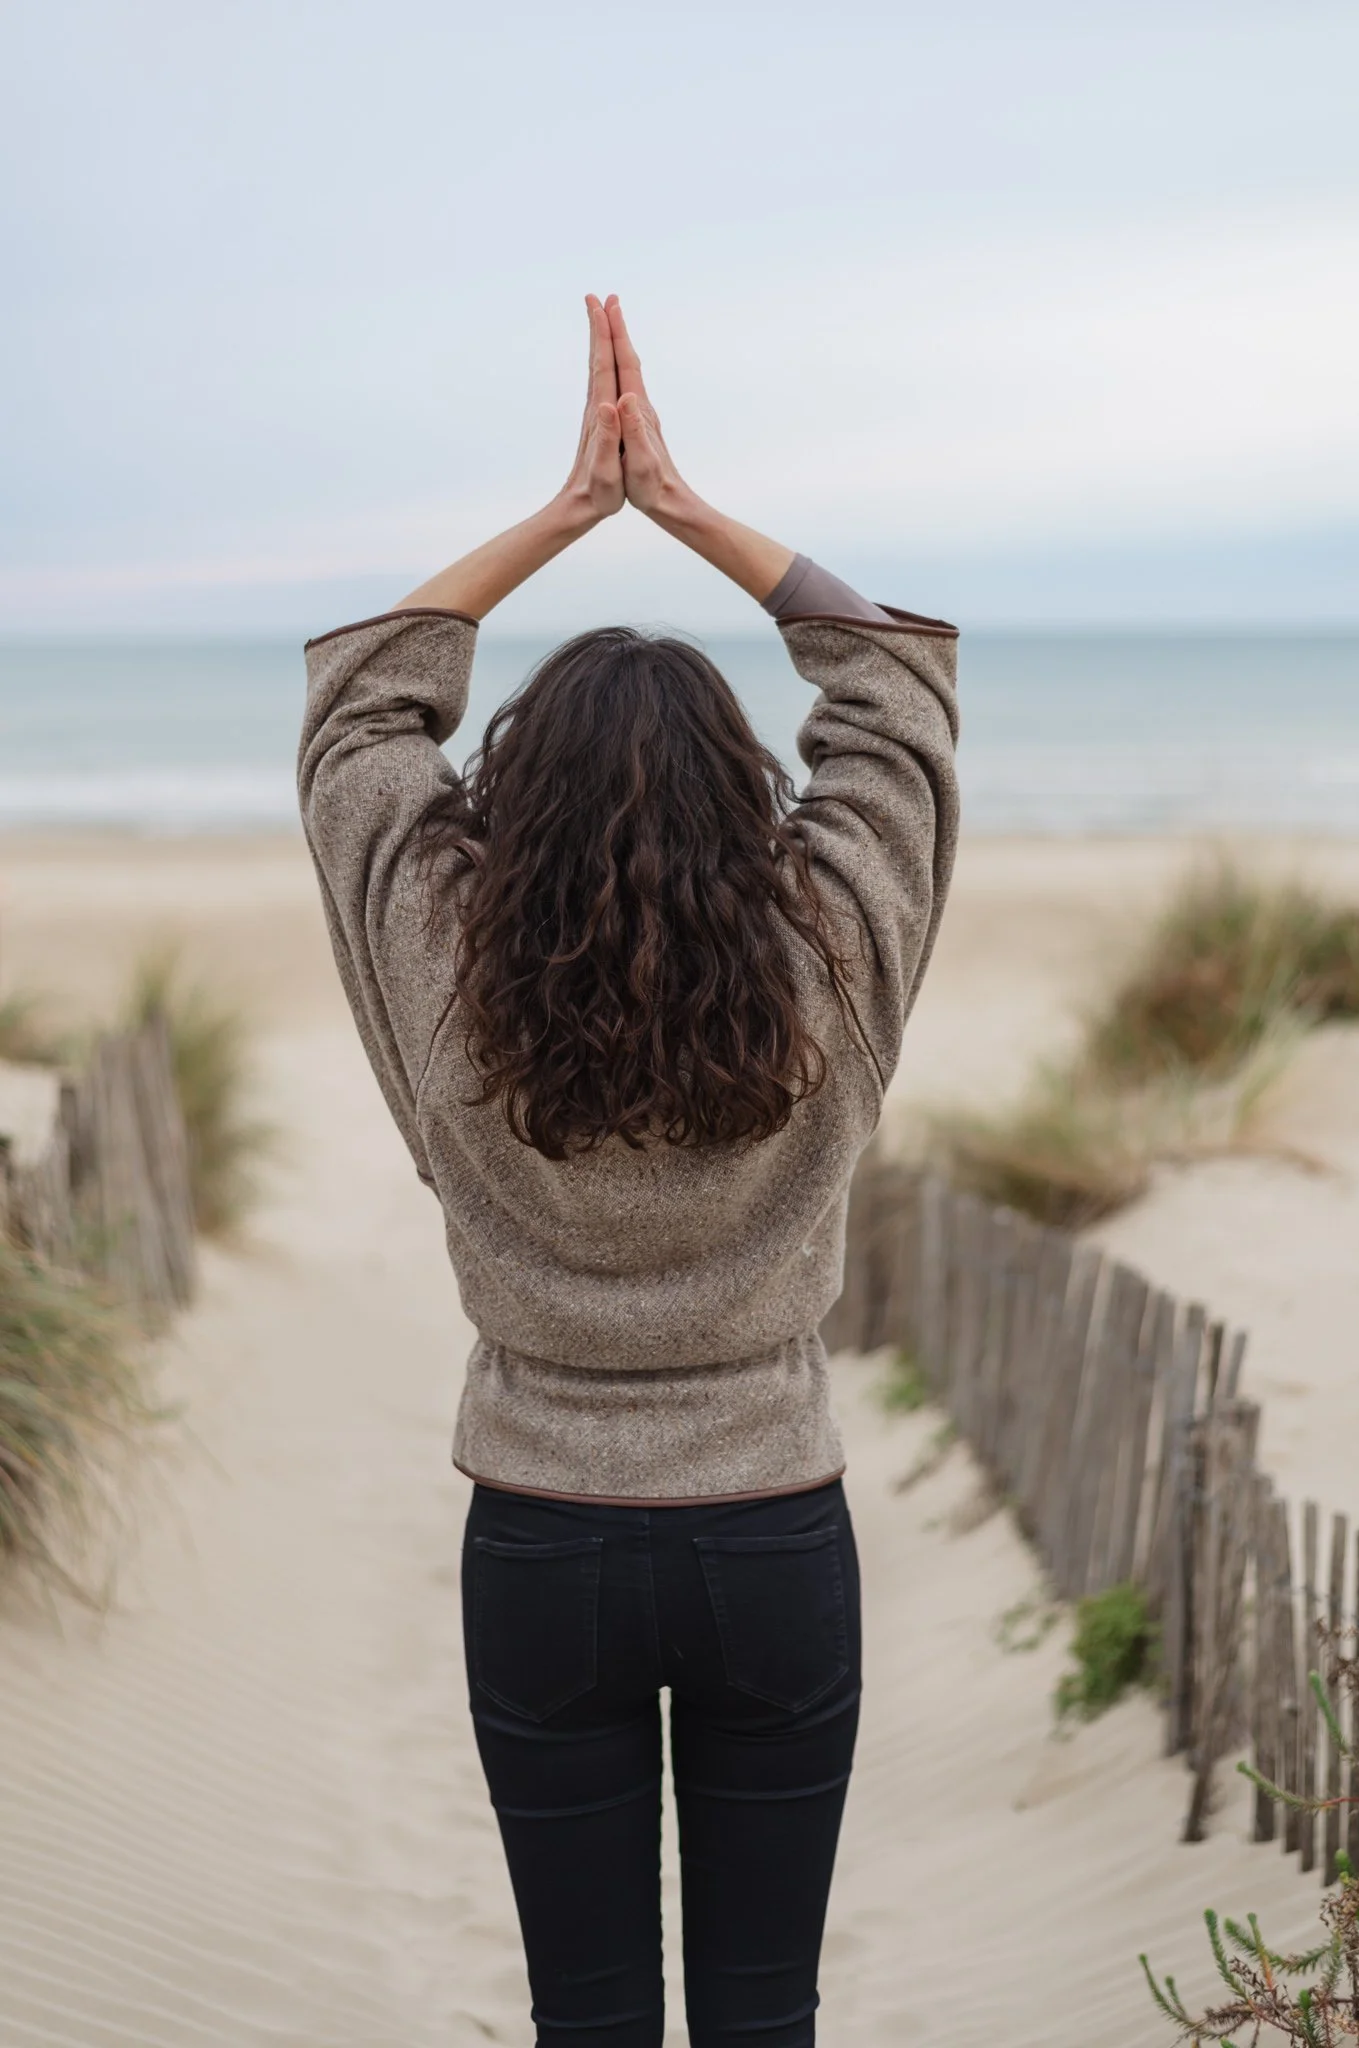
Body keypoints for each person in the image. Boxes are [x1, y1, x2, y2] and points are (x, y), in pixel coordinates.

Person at [298, 295, 959, 2048]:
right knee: (762, 2013)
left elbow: (359, 720)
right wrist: (683, 507)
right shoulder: (828, 958)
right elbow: (891, 691)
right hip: (771, 1528)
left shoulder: (448, 968)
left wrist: (561, 516)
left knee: (585, 2019)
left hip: (540, 1539)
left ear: (511, 808)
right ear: (747, 803)